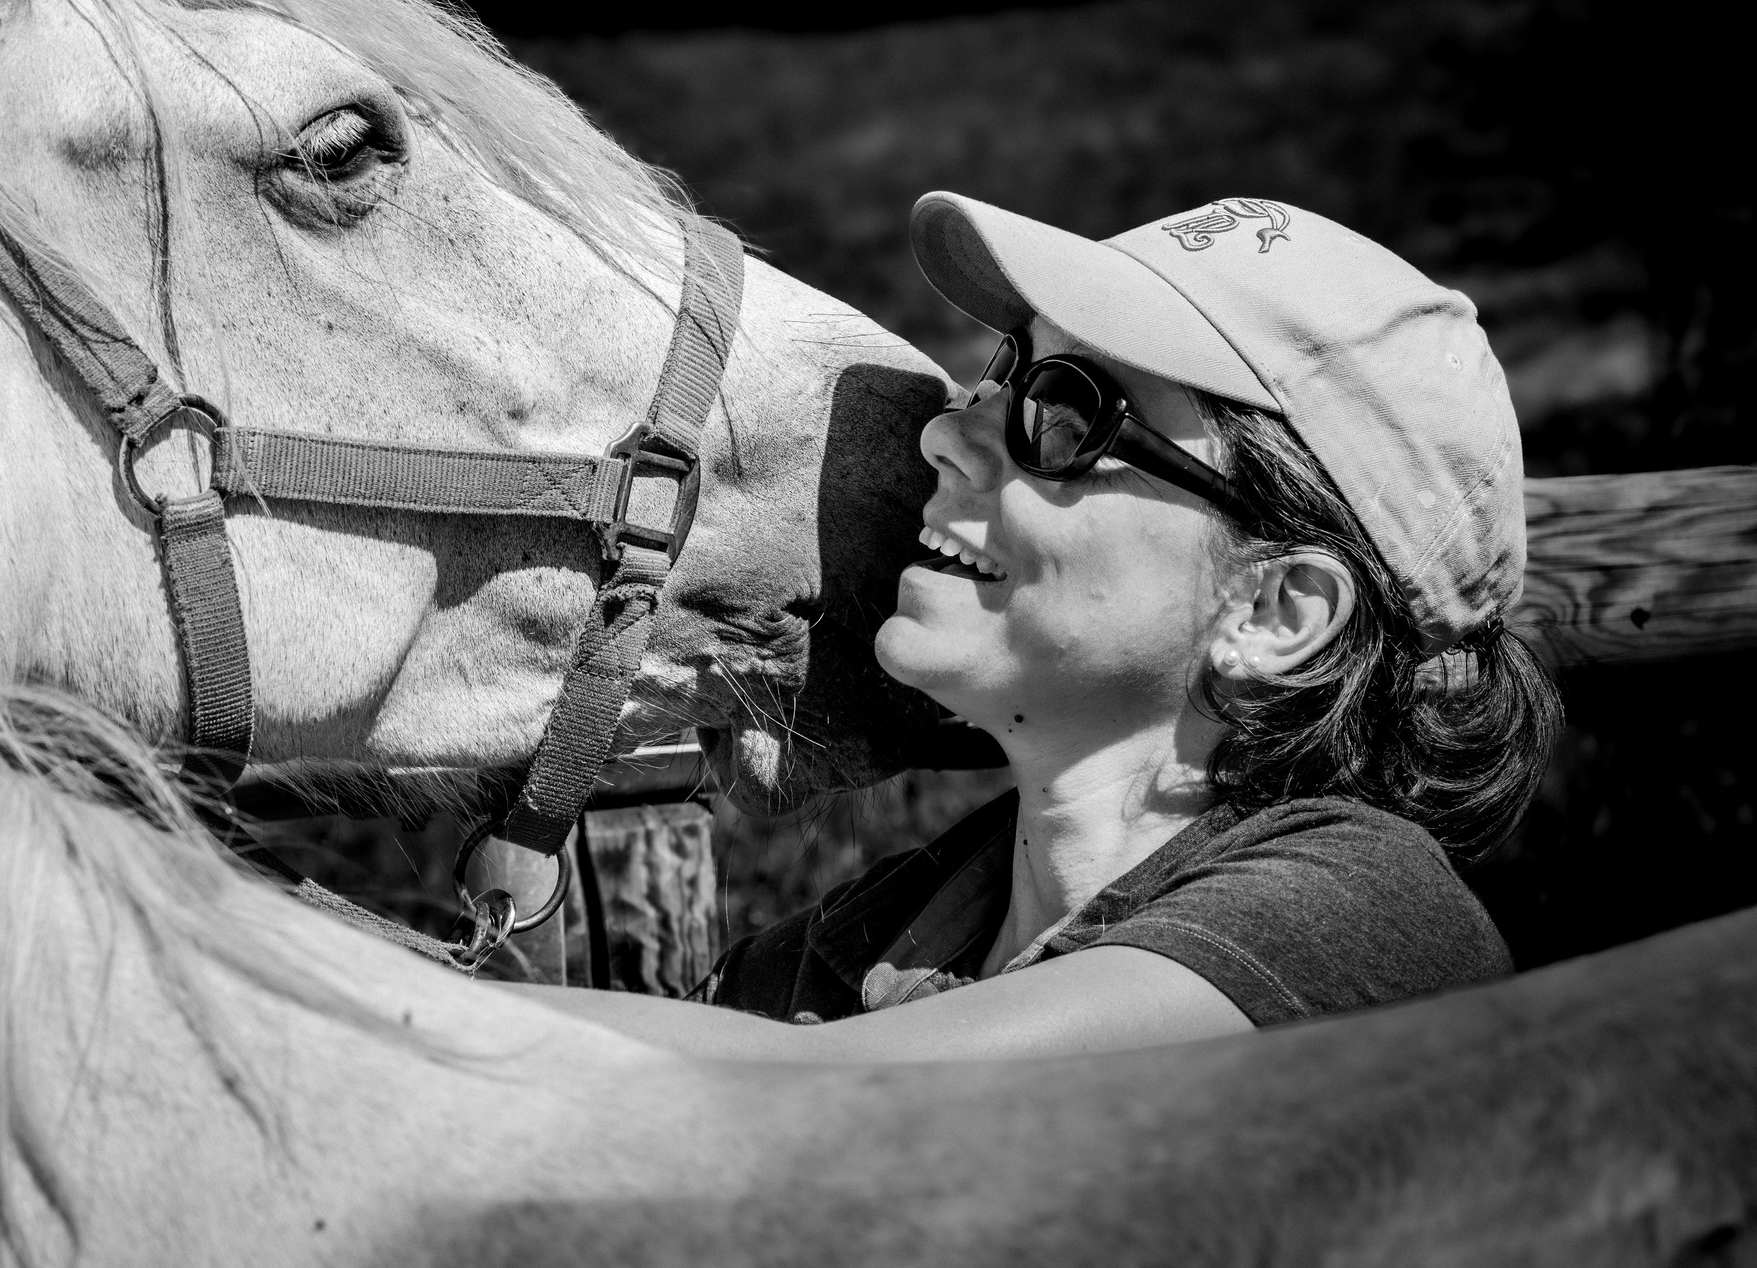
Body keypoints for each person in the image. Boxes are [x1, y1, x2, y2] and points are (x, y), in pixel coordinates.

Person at [511, 193, 1562, 1060]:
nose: (944, 432)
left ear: (1275, 612)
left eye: (1067, 414)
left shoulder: (1363, 925)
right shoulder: (851, 949)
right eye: (1007, 372)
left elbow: (794, 1102)